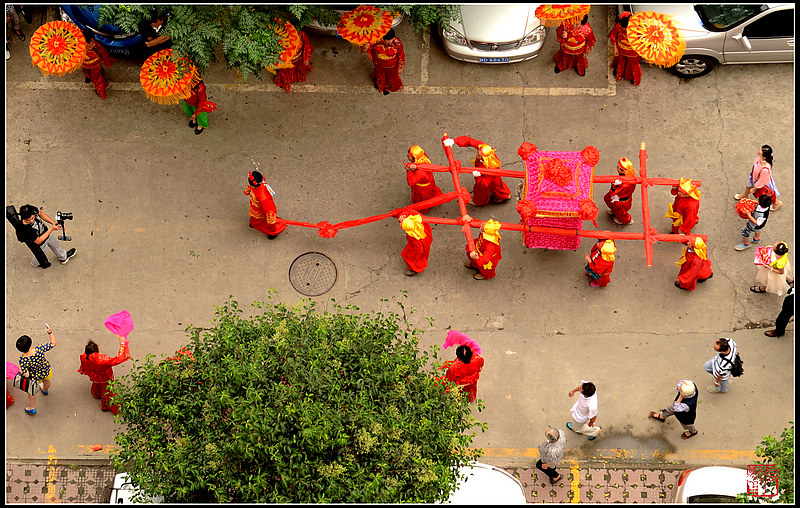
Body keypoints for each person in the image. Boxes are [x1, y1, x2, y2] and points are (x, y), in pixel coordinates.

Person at [77, 336, 131, 414]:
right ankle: (106, 406)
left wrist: (82, 370)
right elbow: (119, 359)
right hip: (104, 377)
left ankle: (96, 393)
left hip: (93, 375)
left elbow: (83, 365)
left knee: (96, 384)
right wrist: (122, 343)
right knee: (108, 393)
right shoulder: (103, 360)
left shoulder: (84, 356)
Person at [452, 136, 511, 206]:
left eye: (479, 155)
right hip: (494, 176)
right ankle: (504, 196)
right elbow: (470, 141)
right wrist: (454, 141)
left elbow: (483, 184)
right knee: (498, 185)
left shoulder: (489, 168)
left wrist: (478, 177)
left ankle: (478, 201)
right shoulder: (486, 151)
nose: (476, 155)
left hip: (486, 178)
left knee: (480, 191)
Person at [16, 324, 56, 415]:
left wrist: (24, 373)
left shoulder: (22, 360)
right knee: (47, 381)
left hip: (35, 377)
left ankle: (32, 408)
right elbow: (53, 343)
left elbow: (26, 374)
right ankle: (45, 389)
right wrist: (50, 332)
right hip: (45, 370)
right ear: (31, 343)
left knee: (31, 392)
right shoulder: (39, 349)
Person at [734, 145, 782, 212]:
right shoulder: (760, 159)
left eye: (759, 153)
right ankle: (744, 195)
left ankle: (776, 203)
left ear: (764, 157)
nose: (757, 153)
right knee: (748, 186)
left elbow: (761, 182)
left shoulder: (765, 170)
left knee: (765, 197)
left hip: (761, 183)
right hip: (754, 178)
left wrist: (754, 188)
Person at [244, 170, 286, 239]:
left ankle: (273, 232)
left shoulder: (263, 195)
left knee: (270, 224)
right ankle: (254, 224)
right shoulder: (255, 185)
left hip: (262, 210)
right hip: (255, 208)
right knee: (255, 218)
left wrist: (270, 217)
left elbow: (269, 207)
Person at [406, 145, 444, 214]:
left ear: (414, 158)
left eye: (409, 156)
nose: (407, 156)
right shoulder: (423, 158)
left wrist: (410, 171)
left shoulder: (420, 172)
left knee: (421, 200)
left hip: (422, 189)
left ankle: (422, 210)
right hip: (429, 182)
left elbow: (411, 182)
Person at [367, 28, 405, 95]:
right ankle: (380, 85)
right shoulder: (375, 40)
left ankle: (388, 88)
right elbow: (368, 49)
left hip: (391, 66)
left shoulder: (397, 43)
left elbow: (401, 55)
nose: (391, 42)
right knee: (379, 74)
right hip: (378, 63)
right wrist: (366, 47)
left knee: (391, 76)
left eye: (392, 39)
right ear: (383, 39)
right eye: (389, 40)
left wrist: (400, 67)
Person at [608, 11, 641, 86]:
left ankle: (633, 78)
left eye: (626, 28)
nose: (625, 30)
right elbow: (613, 35)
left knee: (633, 65)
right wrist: (615, 47)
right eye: (623, 27)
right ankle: (619, 73)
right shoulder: (618, 26)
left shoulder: (638, 29)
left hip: (633, 52)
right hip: (621, 50)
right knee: (621, 61)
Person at [81, 29, 115, 100]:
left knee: (86, 71)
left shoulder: (80, 43)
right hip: (96, 64)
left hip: (84, 63)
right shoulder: (96, 44)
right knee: (97, 78)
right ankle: (101, 93)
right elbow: (103, 53)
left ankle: (88, 78)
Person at [604, 157, 636, 225]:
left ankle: (626, 220)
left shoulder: (625, 185)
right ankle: (614, 211)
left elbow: (613, 192)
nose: (617, 168)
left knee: (621, 212)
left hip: (620, 200)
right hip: (622, 197)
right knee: (611, 203)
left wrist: (613, 185)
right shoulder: (630, 176)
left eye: (618, 167)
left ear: (623, 170)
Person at [399, 211, 432, 276]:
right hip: (425, 242)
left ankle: (413, 269)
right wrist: (403, 215)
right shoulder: (418, 221)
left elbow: (418, 251)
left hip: (418, 247)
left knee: (411, 258)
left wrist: (411, 254)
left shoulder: (416, 239)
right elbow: (409, 210)